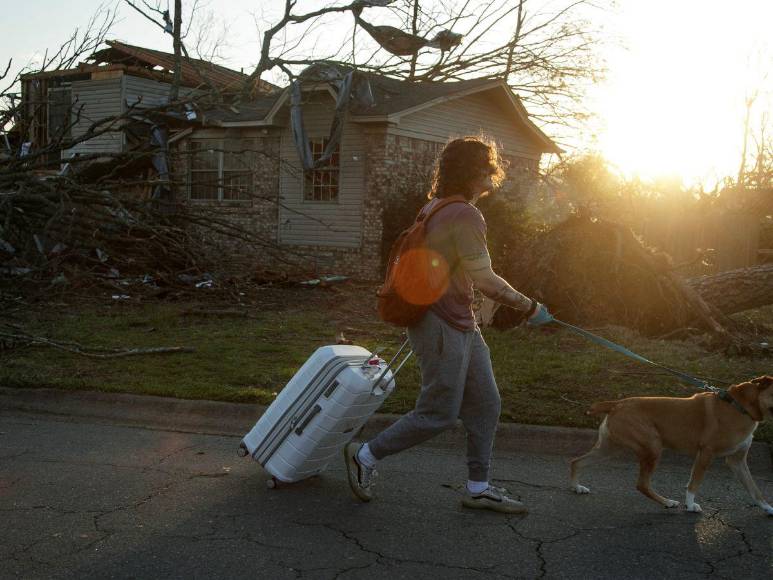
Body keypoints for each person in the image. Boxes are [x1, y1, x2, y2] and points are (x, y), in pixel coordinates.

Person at [344, 136, 553, 514]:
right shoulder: (465, 214)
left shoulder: (436, 207)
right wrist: (530, 306)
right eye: (489, 165)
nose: (494, 172)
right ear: (474, 171)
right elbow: (485, 278)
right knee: (438, 412)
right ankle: (365, 454)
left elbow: (465, 274)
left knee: (486, 404)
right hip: (441, 324)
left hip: (459, 323)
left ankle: (477, 487)